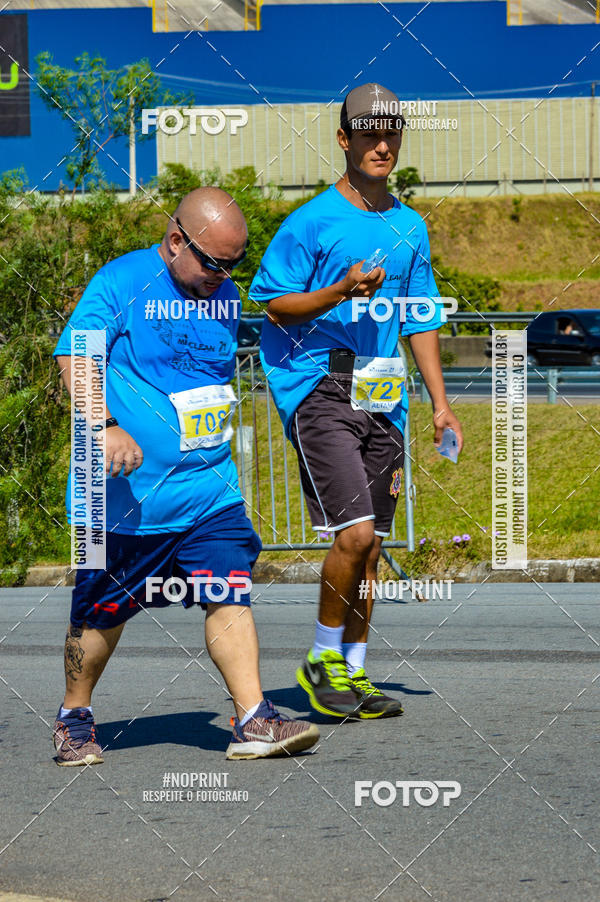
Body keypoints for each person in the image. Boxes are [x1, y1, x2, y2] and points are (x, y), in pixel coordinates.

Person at [52, 187, 319, 764]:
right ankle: (74, 715)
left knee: (229, 589)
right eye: (213, 263)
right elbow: (76, 356)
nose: (222, 277)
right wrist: (104, 425)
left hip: (207, 489)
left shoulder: (220, 293)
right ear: (176, 241)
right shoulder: (122, 282)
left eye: (234, 265)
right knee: (97, 612)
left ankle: (253, 719)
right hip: (118, 499)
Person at [250, 83, 463, 720]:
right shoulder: (311, 220)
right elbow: (273, 303)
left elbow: (419, 318)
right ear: (344, 140)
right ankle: (321, 658)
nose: (381, 142)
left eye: (391, 131)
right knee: (356, 534)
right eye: (368, 132)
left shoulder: (409, 225)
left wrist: (440, 403)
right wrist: (341, 291)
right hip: (321, 387)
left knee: (371, 548)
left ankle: (356, 671)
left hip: (384, 391)